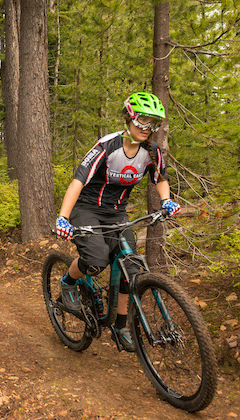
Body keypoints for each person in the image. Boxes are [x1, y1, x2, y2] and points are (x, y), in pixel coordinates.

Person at [55, 92, 181, 352]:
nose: (147, 129)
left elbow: (160, 179)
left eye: (153, 124)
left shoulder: (151, 151)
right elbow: (78, 181)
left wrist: (166, 201)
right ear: (129, 118)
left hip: (117, 213)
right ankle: (68, 283)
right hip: (87, 209)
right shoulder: (107, 146)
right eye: (143, 121)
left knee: (130, 269)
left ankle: (120, 325)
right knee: (96, 259)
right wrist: (63, 217)